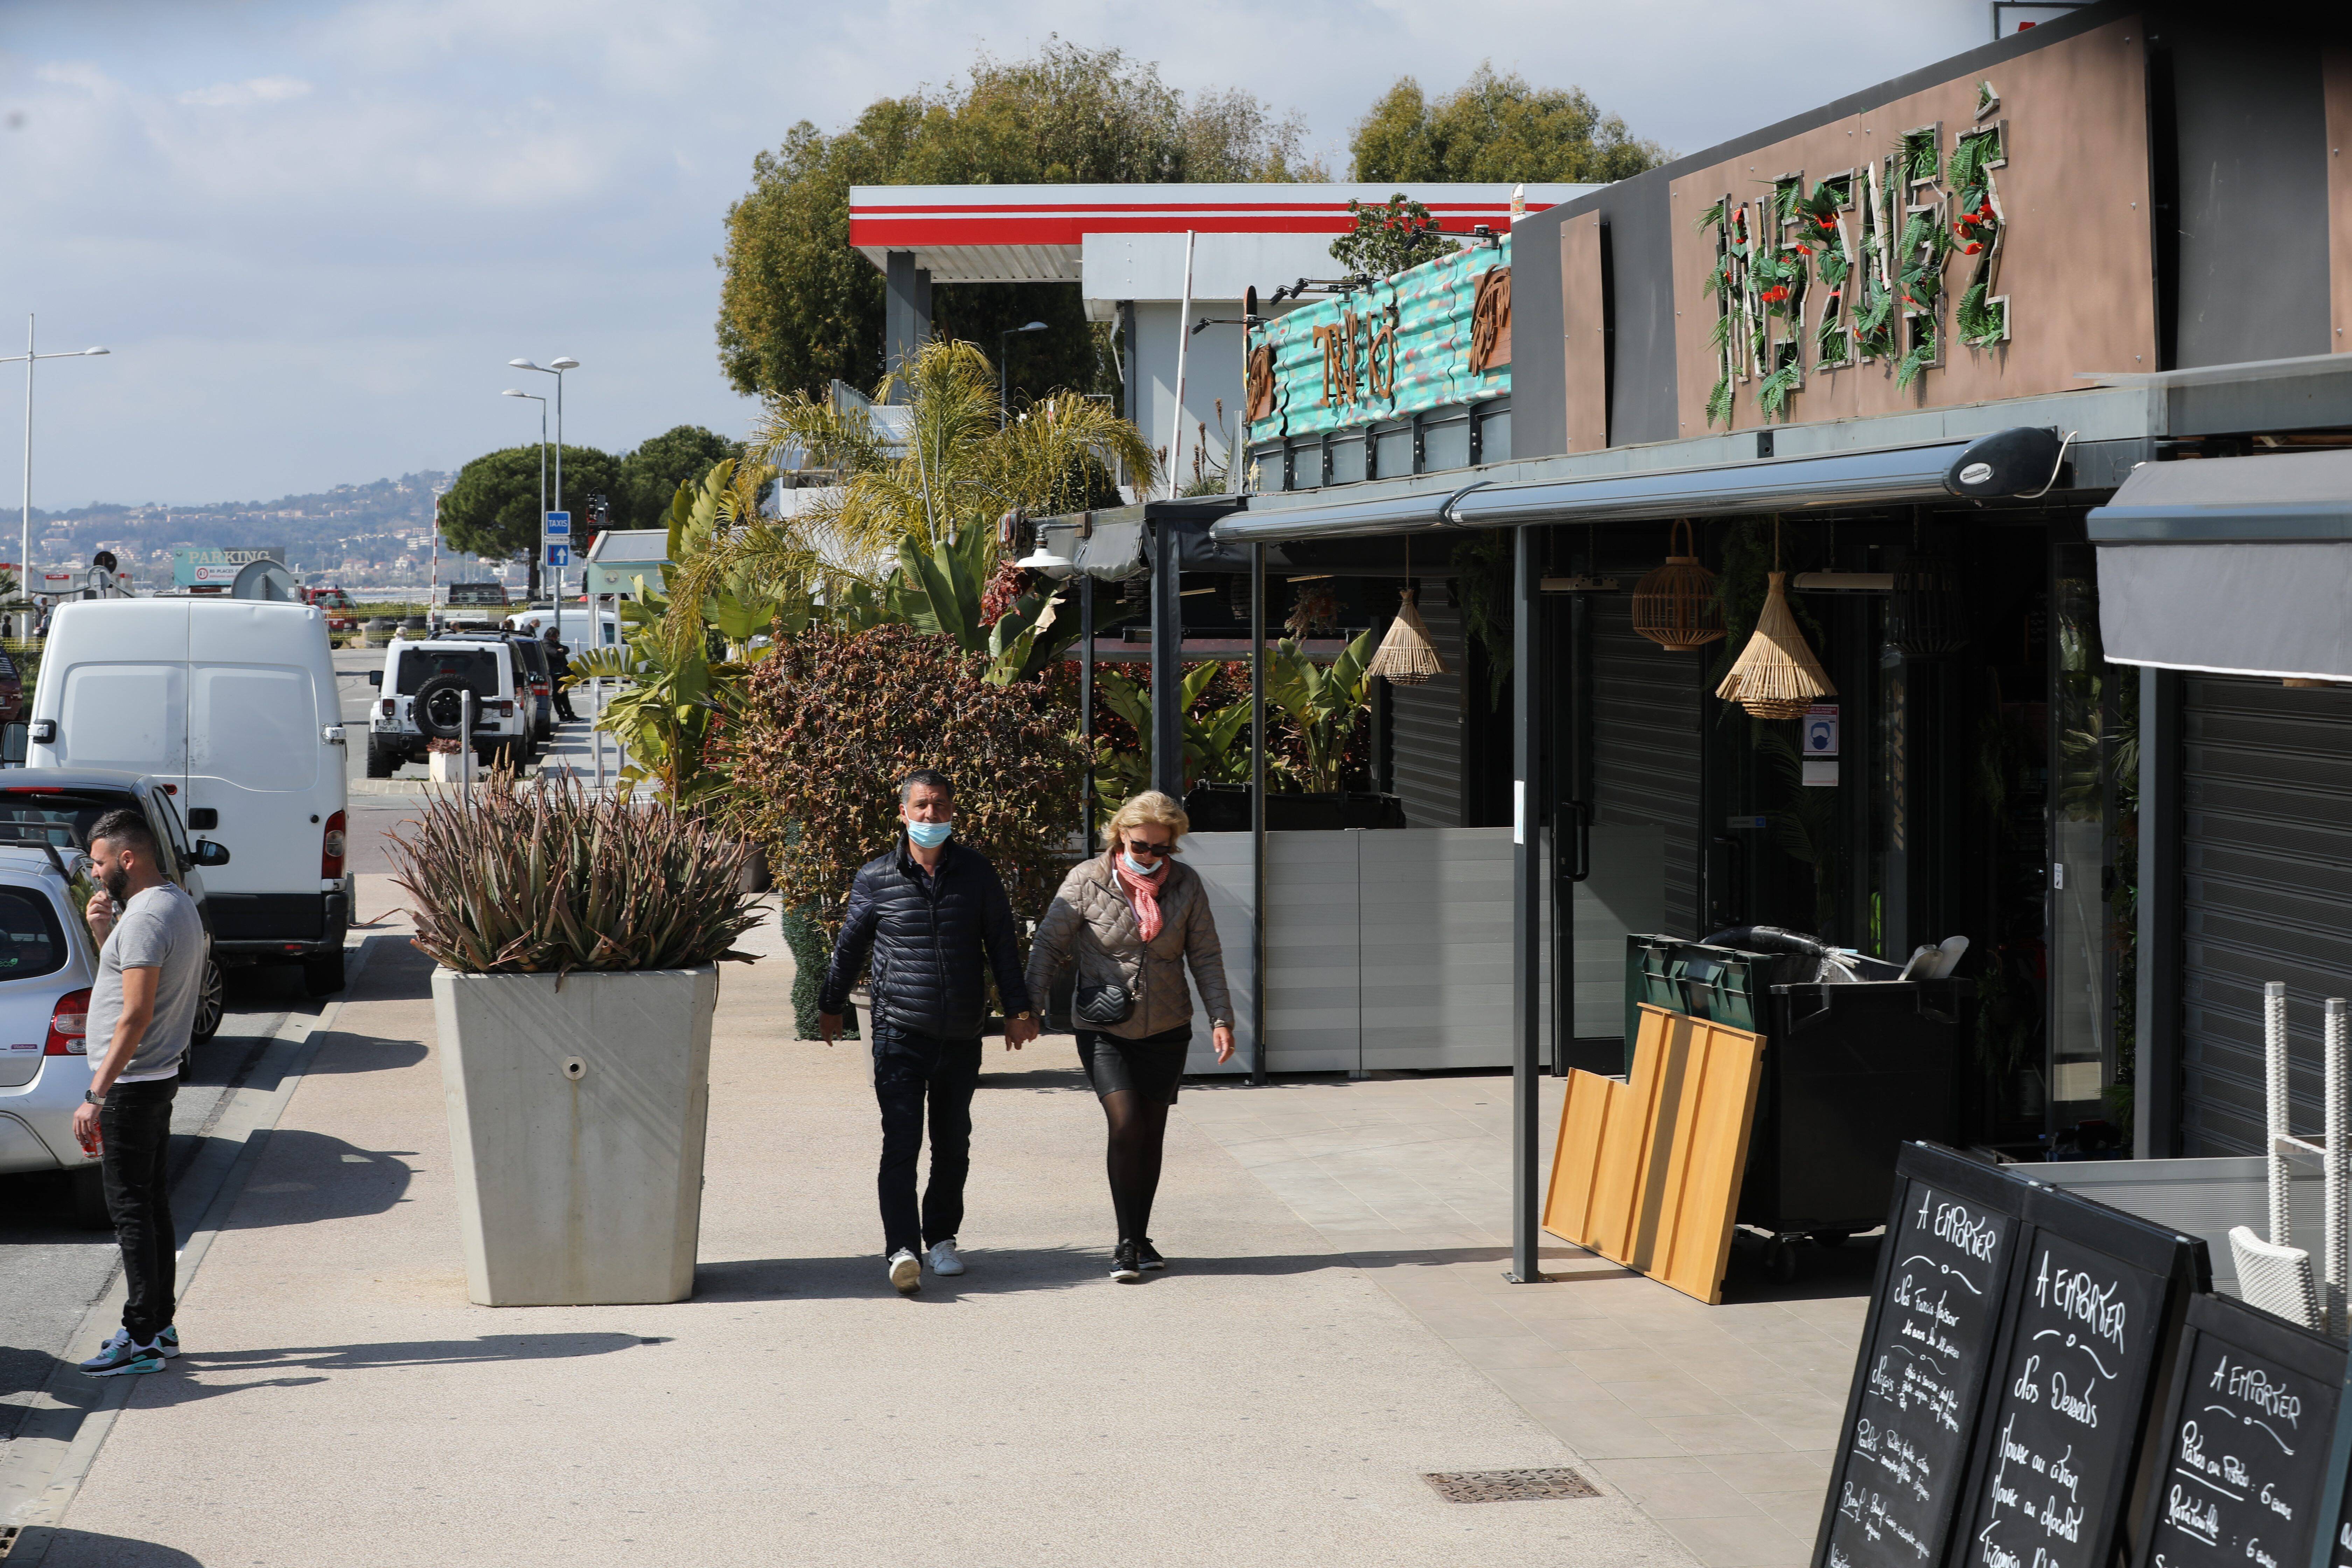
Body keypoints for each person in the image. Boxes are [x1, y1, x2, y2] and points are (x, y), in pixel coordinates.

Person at [818, 769, 1040, 1294]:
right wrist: (830, 1004)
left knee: (953, 1143)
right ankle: (902, 1248)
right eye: (921, 805)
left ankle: (941, 1238)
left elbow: (1002, 944)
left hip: (961, 1032)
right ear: (903, 813)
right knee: (901, 1141)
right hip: (899, 1031)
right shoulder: (876, 876)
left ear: (952, 811)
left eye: (939, 805)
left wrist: (1017, 1009)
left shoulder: (977, 873)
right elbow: (850, 946)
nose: (930, 814)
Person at [1024, 790, 1233, 1282]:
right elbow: (1048, 946)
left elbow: (1205, 955)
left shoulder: (1186, 883)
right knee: (1126, 1125)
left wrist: (1221, 1018)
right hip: (1105, 1026)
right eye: (1142, 846)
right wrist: (1028, 1008)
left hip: (1167, 1026)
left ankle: (1141, 1238)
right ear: (1121, 835)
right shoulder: (1087, 879)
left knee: (1151, 1132)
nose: (1151, 856)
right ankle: (1123, 1243)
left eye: (1163, 849)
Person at [72, 807, 208, 1377]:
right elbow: (132, 979)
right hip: (154, 1079)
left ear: (127, 858)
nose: (95, 873)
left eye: (99, 862)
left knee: (132, 1212)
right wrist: (104, 933)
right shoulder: (173, 904)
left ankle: (143, 1337)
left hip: (130, 1087)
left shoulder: (148, 917)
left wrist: (96, 1094)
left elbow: (135, 1014)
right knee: (150, 1206)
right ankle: (161, 1327)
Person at [542, 626, 579, 722]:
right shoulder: (546, 644)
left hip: (561, 674)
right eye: (555, 636)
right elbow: (555, 654)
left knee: (564, 695)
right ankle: (562, 716)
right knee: (557, 697)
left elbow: (566, 649)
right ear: (551, 636)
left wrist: (561, 650)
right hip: (555, 675)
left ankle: (570, 715)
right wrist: (560, 651)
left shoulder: (554, 643)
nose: (556, 639)